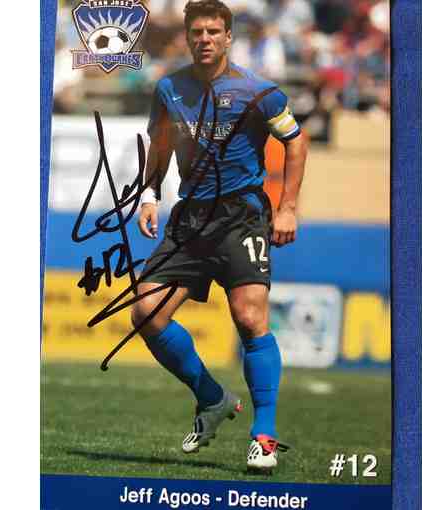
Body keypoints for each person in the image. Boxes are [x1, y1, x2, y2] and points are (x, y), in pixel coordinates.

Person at [131, 0, 308, 473]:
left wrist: (288, 207)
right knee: (146, 312)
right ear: (186, 38)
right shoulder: (169, 88)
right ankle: (211, 398)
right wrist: (149, 195)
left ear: (228, 37)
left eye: (213, 31)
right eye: (197, 32)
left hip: (240, 215)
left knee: (249, 317)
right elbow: (160, 146)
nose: (205, 39)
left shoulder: (258, 92)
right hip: (190, 219)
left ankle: (264, 436)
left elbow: (295, 140)